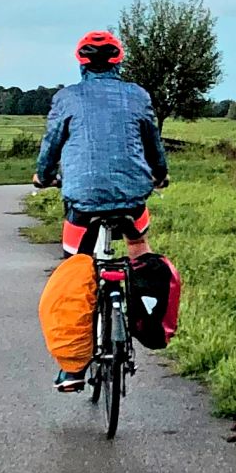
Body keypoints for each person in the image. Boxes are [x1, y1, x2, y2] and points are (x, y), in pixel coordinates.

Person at [33, 30, 168, 390]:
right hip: (132, 198)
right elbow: (152, 143)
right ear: (117, 61)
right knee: (138, 246)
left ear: (81, 62)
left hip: (83, 200)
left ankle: (74, 368)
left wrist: (43, 176)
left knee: (74, 267)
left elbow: (51, 144)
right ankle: (146, 319)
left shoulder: (66, 98)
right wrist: (160, 174)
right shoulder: (138, 95)